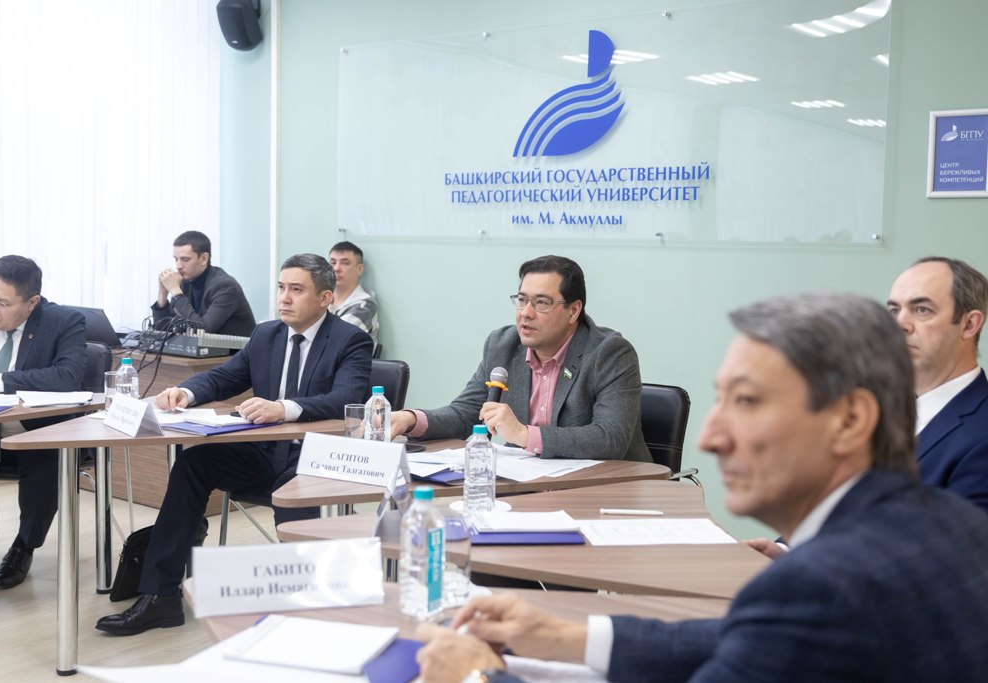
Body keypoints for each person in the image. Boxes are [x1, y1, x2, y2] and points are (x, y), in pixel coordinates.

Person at [416, 293, 988, 683]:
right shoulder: (932, 522)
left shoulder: (822, 582)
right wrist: (565, 636)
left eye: (747, 402)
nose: (711, 437)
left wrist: (475, 675)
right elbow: (740, 642)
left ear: (851, 420)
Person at [97, 254, 372, 636]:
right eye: (281, 287)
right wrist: (185, 392)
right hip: (265, 452)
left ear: (325, 298)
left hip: (317, 457)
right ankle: (160, 596)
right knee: (194, 464)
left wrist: (283, 408)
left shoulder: (351, 340)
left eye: (296, 290)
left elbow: (346, 398)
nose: (284, 298)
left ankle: (303, 607)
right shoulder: (266, 334)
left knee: (292, 489)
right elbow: (225, 377)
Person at [390, 255, 649, 461]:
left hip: (603, 489)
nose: (526, 313)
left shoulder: (609, 353)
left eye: (541, 303)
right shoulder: (503, 345)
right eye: (522, 300)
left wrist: (525, 435)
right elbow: (465, 413)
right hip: (527, 485)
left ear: (573, 311)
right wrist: (410, 419)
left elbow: (610, 438)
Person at [0, 255, 86, 588]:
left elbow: (67, 377)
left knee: (48, 456)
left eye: (2, 303)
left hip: (35, 434)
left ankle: (23, 547)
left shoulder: (63, 322)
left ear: (32, 302)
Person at [887, 256, 988, 514]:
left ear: (969, 324)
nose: (900, 325)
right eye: (894, 310)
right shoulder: (877, 411)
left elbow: (962, 540)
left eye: (922, 310)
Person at [151, 230, 256, 336]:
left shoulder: (225, 286)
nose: (178, 266)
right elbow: (163, 332)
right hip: (201, 346)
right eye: (176, 259)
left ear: (204, 259)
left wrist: (176, 293)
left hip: (234, 347)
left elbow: (203, 331)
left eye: (185, 259)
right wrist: (162, 295)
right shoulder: (184, 282)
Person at [328, 240, 379, 346]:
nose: (336, 268)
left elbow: (333, 339)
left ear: (359, 269)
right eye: (333, 263)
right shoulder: (322, 297)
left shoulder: (364, 306)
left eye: (345, 263)